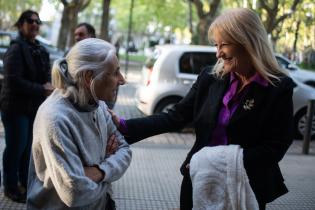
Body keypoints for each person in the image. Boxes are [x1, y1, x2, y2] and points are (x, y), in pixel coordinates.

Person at [111, 8, 294, 210]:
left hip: (247, 186)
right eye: (216, 45)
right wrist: (124, 126)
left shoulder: (278, 88)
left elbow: (274, 148)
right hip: (199, 180)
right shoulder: (210, 77)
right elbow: (176, 117)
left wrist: (212, 163)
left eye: (224, 44)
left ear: (248, 42)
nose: (218, 53)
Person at [27, 38, 132, 209]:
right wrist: (109, 169)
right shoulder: (55, 118)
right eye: (115, 72)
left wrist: (99, 171)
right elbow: (75, 194)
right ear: (89, 77)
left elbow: (125, 150)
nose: (122, 80)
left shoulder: (99, 105)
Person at [0, 10, 53, 203]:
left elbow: (46, 74)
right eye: (30, 21)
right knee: (16, 147)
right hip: (14, 108)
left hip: (32, 108)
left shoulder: (39, 48)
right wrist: (41, 89)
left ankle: (25, 182)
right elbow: (13, 81)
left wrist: (47, 85)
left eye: (38, 22)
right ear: (21, 24)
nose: (35, 24)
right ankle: (10, 187)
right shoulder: (16, 48)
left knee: (28, 148)